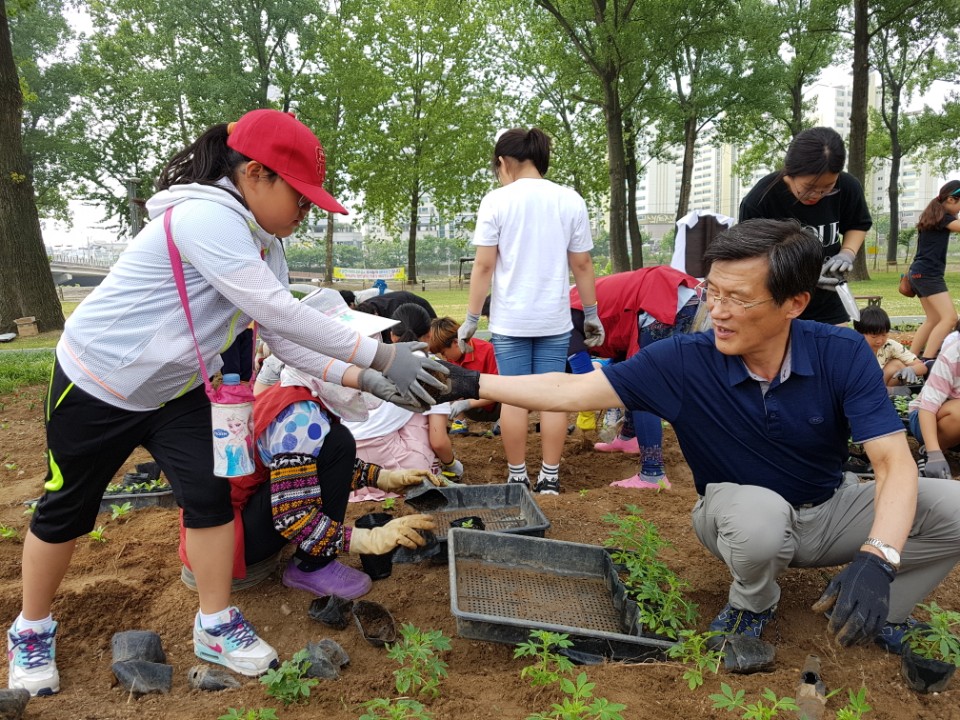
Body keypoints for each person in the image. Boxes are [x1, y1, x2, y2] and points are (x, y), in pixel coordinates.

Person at [7, 109, 448, 697]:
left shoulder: (265, 245)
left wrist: (363, 378)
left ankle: (214, 623)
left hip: (179, 388)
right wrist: (382, 356)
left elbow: (283, 336)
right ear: (257, 173)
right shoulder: (205, 217)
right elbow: (279, 311)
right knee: (66, 507)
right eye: (301, 197)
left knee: (211, 496)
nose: (305, 211)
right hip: (99, 382)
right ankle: (31, 628)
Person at [441, 218, 960, 651]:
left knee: (953, 507)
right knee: (760, 518)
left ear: (794, 303)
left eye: (738, 298)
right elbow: (571, 389)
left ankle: (882, 611)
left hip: (829, 507)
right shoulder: (683, 360)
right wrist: (467, 382)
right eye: (712, 291)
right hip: (738, 516)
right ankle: (753, 604)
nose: (717, 311)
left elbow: (892, 462)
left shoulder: (840, 353)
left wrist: (878, 557)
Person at [179, 361, 439, 600]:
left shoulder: (296, 393)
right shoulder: (299, 418)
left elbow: (316, 464)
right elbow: (292, 517)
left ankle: (309, 557)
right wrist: (368, 539)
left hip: (225, 528)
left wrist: (382, 478)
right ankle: (312, 565)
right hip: (227, 546)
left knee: (337, 442)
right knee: (339, 441)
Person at [457, 127, 603, 495]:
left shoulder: (496, 201)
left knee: (515, 398)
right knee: (553, 396)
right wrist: (591, 313)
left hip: (511, 321)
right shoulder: (570, 200)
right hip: (554, 320)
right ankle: (549, 477)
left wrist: (471, 319)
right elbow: (582, 264)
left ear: (503, 162)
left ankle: (518, 476)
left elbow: (484, 266)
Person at [568, 266, 699, 489]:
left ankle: (652, 473)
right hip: (676, 297)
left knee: (643, 386)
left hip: (660, 301)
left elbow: (584, 377)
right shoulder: (571, 301)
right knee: (635, 374)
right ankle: (629, 438)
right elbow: (621, 357)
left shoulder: (562, 319)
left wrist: (585, 413)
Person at [739, 127, 872, 325]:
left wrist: (847, 253)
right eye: (809, 187)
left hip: (828, 300)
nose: (817, 195)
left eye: (827, 188)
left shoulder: (847, 186)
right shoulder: (760, 200)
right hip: (779, 302)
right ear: (790, 171)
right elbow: (751, 261)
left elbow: (858, 223)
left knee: (835, 343)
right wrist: (801, 277)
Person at [905, 180, 960, 364]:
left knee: (934, 319)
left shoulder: (935, 216)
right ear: (951, 199)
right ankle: (928, 360)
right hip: (928, 274)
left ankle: (910, 360)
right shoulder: (943, 218)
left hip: (919, 273)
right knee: (950, 318)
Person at [428, 316, 500, 436]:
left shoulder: (488, 351)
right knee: (450, 383)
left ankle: (504, 421)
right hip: (474, 411)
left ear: (456, 342)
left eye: (443, 353)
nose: (443, 357)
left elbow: (500, 390)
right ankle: (459, 421)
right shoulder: (451, 359)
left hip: (498, 406)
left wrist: (467, 404)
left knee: (518, 391)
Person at [907, 337, 960, 480]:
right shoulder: (952, 355)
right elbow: (927, 408)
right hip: (926, 420)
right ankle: (929, 454)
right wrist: (934, 453)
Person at [852, 306, 927, 390]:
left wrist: (912, 369)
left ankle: (885, 391)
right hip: (861, 388)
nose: (879, 341)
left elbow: (922, 367)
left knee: (897, 364)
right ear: (858, 333)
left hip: (881, 385)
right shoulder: (853, 349)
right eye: (874, 337)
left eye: (884, 335)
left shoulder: (890, 345)